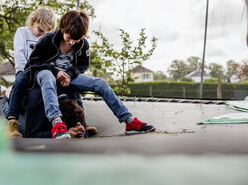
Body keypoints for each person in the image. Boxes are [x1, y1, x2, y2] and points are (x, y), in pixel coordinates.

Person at [24, 9, 156, 139]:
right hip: (46, 75)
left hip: (68, 77)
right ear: (63, 28)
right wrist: (56, 72)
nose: (72, 43)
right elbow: (32, 63)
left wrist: (69, 73)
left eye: (76, 40)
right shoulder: (48, 39)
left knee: (100, 83)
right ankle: (57, 123)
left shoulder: (83, 44)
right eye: (69, 38)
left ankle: (129, 120)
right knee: (47, 76)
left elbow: (83, 66)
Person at [5, 6, 57, 138]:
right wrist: (25, 71)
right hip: (24, 70)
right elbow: (19, 52)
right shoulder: (22, 32)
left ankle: (77, 123)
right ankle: (12, 123)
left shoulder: (47, 38)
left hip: (39, 72)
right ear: (33, 21)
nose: (42, 34)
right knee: (20, 81)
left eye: (46, 32)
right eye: (40, 30)